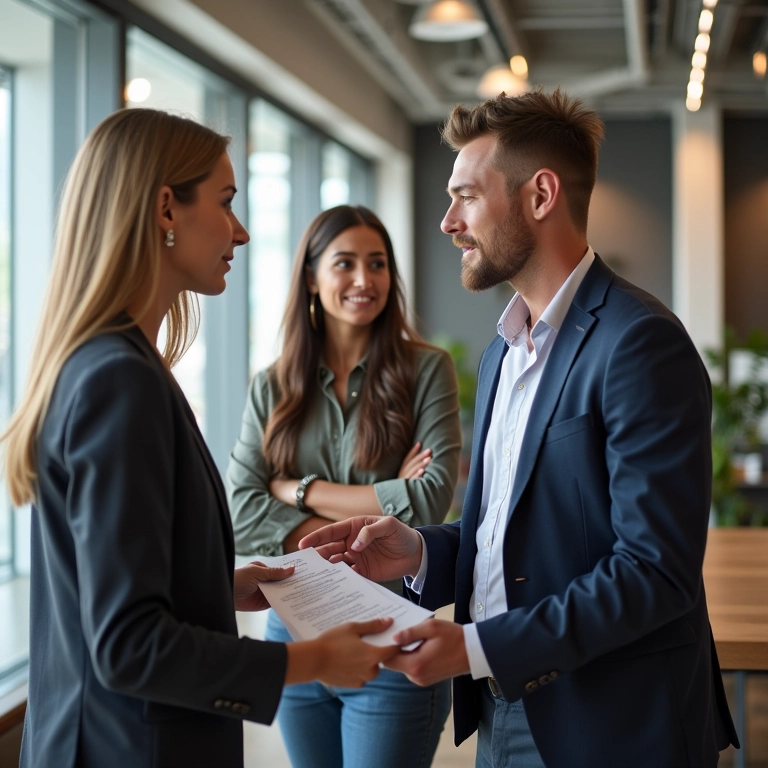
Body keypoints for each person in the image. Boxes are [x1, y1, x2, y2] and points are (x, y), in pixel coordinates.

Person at [300, 89, 740, 768]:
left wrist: (475, 647)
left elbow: (655, 571)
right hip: (508, 702)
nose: (448, 222)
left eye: (466, 196)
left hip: (615, 724)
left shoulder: (640, 343)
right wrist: (418, 550)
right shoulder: (503, 348)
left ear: (540, 196)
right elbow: (522, 535)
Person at [1, 109, 399, 768]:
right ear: (165, 207)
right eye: (225, 202)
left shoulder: (109, 364)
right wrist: (312, 660)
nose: (241, 231)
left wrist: (215, 585)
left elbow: (107, 586)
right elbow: (128, 644)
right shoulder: (119, 381)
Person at [226, 204, 462, 768]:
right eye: (345, 263)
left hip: (391, 632)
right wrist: (381, 500)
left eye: (377, 264)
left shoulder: (427, 369)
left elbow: (428, 498)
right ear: (311, 275)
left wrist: (296, 491)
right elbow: (239, 510)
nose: (365, 279)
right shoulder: (272, 385)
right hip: (292, 634)